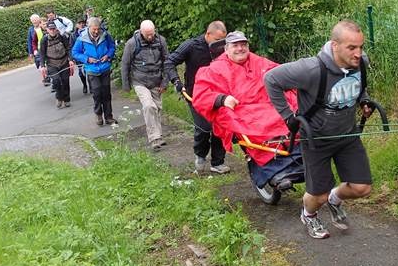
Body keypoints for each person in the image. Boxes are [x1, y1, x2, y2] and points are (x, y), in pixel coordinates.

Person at [264, 20, 374, 240]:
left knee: (362, 188)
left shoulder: (360, 62)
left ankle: (335, 199)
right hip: (316, 140)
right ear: (335, 45)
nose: (358, 53)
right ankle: (309, 214)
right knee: (318, 195)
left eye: (361, 47)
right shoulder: (311, 69)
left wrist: (363, 100)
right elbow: (271, 79)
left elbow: (358, 86)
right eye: (351, 48)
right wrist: (289, 117)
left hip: (347, 135)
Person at [192, 31, 299, 169]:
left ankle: (298, 154)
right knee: (260, 125)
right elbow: (201, 94)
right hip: (242, 111)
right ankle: (271, 166)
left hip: (269, 105)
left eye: (243, 44)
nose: (240, 48)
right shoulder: (214, 69)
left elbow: (281, 72)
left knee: (295, 111)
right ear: (226, 49)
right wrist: (222, 99)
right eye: (235, 45)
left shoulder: (260, 62)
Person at [164, 21, 229, 173]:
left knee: (220, 126)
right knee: (204, 128)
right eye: (217, 40)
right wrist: (176, 81)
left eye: (222, 41)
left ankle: (218, 162)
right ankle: (200, 156)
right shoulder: (191, 46)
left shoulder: (223, 49)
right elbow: (169, 62)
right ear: (208, 34)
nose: (220, 44)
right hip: (195, 95)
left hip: (218, 95)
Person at [121, 20, 169, 150]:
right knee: (149, 106)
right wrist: (126, 85)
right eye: (147, 34)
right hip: (140, 80)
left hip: (156, 80)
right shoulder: (132, 44)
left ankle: (158, 136)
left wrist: (165, 82)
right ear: (141, 32)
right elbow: (125, 64)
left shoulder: (161, 41)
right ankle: (154, 138)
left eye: (152, 34)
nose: (150, 37)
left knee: (157, 108)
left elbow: (167, 62)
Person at [72, 17, 117, 125]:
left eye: (98, 29)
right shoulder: (81, 38)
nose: (96, 32)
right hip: (91, 69)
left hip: (105, 67)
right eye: (94, 30)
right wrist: (87, 59)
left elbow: (112, 47)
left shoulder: (105, 35)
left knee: (106, 94)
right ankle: (98, 115)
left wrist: (108, 55)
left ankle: (109, 117)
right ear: (89, 28)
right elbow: (75, 52)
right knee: (97, 93)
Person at [40, 20, 75, 108]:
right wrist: (42, 65)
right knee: (56, 81)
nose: (52, 30)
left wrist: (70, 59)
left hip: (64, 62)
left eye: (53, 29)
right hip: (52, 64)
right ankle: (59, 98)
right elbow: (42, 54)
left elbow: (68, 48)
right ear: (47, 30)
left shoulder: (62, 37)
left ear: (56, 29)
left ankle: (67, 99)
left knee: (65, 81)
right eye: (50, 29)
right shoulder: (44, 40)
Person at [72, 19, 89, 94]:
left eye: (83, 23)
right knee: (81, 73)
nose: (82, 24)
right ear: (77, 25)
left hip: (88, 55)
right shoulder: (73, 35)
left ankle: (92, 86)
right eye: (80, 23)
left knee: (89, 71)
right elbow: (71, 47)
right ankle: (85, 85)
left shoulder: (88, 32)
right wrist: (73, 58)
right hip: (79, 57)